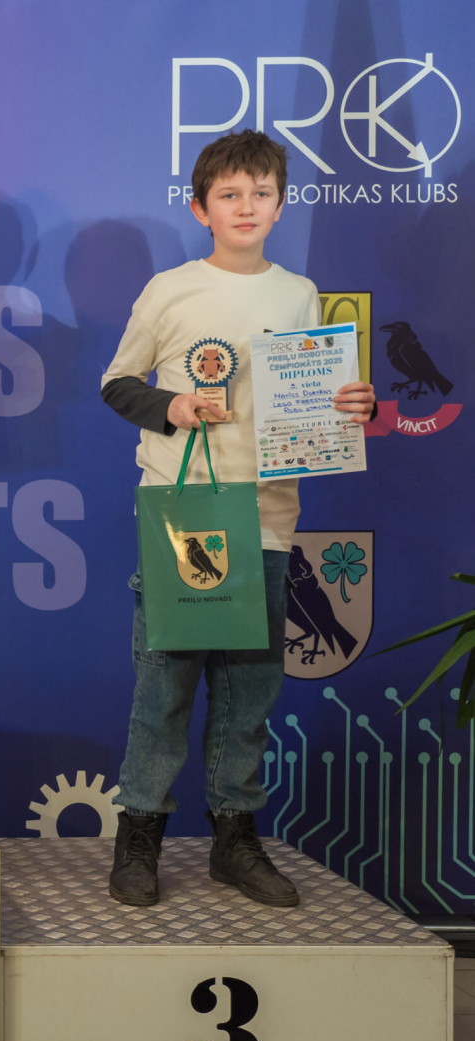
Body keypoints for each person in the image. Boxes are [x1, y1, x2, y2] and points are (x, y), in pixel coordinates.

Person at [99, 129, 375, 907]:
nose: (246, 206)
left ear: (281, 205)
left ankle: (235, 837)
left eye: (260, 193)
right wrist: (174, 405)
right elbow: (117, 383)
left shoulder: (300, 294)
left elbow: (316, 398)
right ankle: (139, 833)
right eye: (229, 195)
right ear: (201, 208)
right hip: (183, 512)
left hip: (269, 514)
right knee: (165, 684)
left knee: (251, 690)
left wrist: (353, 403)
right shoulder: (170, 290)